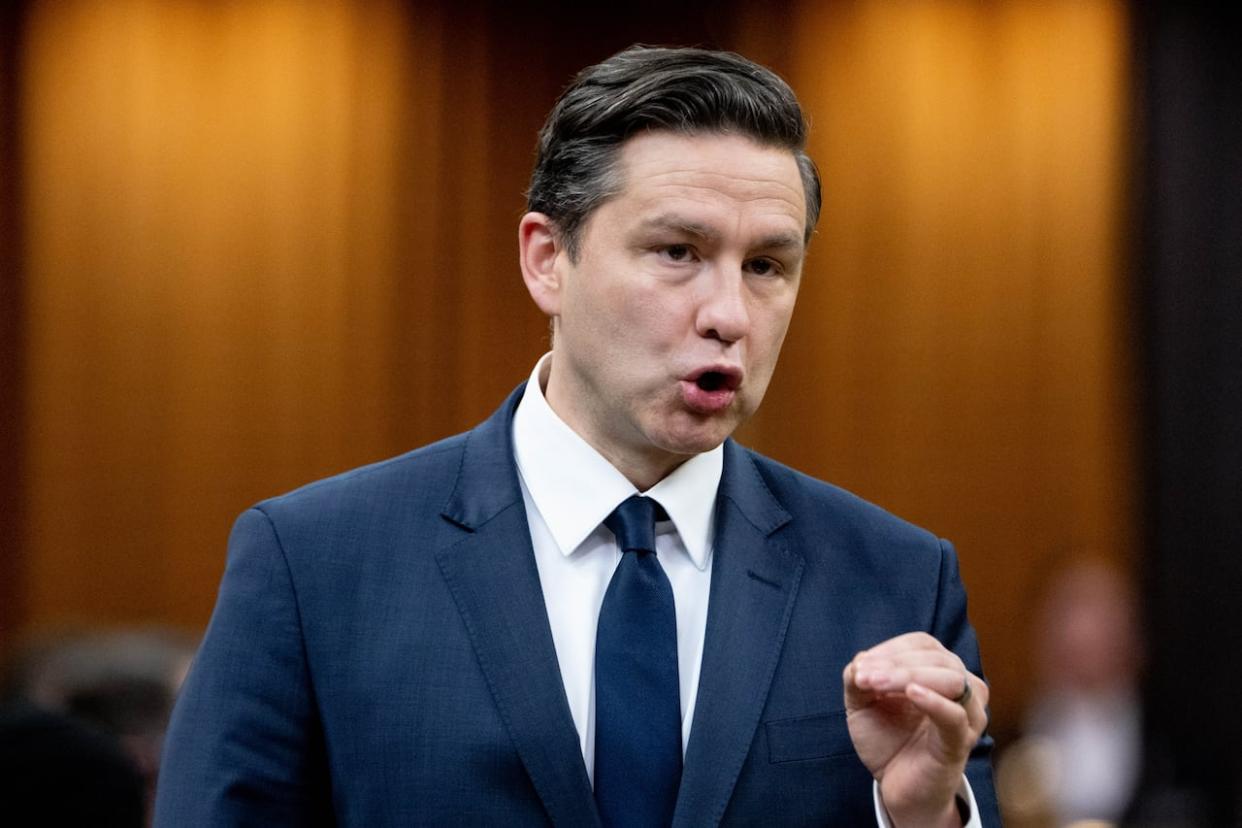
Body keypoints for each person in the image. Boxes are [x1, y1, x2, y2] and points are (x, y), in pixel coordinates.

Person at [155, 45, 998, 826]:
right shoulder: (316, 564)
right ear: (547, 259)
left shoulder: (896, 579)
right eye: (677, 251)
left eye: (766, 267)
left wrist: (924, 818)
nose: (729, 315)